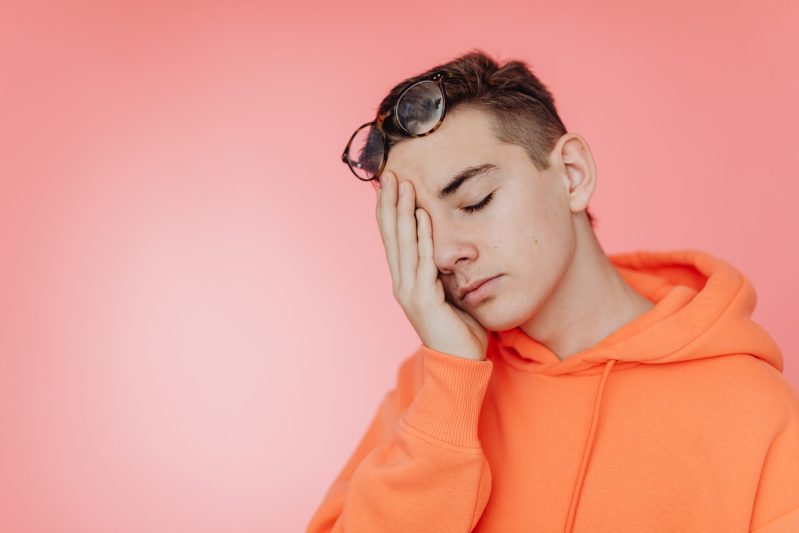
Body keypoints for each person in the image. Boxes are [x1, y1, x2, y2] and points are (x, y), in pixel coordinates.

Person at [306, 49, 799, 532]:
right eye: (420, 231)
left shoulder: (756, 413)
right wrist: (451, 389)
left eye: (475, 202)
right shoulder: (435, 388)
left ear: (572, 174)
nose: (444, 254)